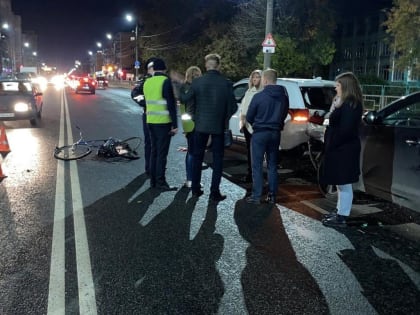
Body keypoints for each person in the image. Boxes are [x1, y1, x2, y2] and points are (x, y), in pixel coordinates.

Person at [180, 53, 237, 202]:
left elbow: (187, 101)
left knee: (198, 157)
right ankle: (214, 192)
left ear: (206, 65)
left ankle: (195, 189)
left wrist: (195, 118)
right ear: (218, 65)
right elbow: (233, 107)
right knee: (218, 160)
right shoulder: (226, 83)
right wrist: (224, 119)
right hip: (218, 127)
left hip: (200, 127)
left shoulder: (197, 82)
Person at [320, 72, 364, 227]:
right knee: (341, 182)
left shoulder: (351, 104)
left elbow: (345, 130)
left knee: (344, 183)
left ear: (345, 86)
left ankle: (342, 216)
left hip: (344, 149)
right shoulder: (346, 102)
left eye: (337, 85)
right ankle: (339, 211)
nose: (335, 88)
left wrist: (332, 140)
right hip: (341, 148)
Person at [245, 69, 289, 204]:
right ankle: (272, 195)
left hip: (260, 133)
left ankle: (256, 196)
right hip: (275, 133)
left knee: (257, 165)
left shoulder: (259, 96)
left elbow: (249, 116)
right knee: (272, 165)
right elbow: (284, 113)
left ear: (265, 80)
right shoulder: (283, 97)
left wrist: (257, 124)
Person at [143, 58, 179, 190]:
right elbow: (170, 104)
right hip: (163, 123)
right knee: (162, 154)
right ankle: (160, 182)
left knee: (154, 152)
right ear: (164, 69)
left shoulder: (147, 82)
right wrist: (175, 124)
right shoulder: (165, 81)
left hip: (150, 122)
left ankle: (153, 181)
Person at [130, 58, 156, 176]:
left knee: (159, 144)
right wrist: (145, 103)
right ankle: (149, 168)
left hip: (163, 118)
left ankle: (157, 166)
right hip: (149, 115)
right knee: (150, 143)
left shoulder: (163, 79)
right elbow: (134, 94)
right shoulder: (145, 80)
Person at [179, 66, 202, 188]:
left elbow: (182, 107)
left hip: (189, 124)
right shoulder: (194, 88)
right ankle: (191, 179)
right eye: (196, 75)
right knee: (194, 152)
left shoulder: (184, 87)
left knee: (192, 152)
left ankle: (191, 179)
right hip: (195, 123)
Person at [239, 69, 263, 183]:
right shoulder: (249, 91)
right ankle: (250, 173)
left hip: (257, 126)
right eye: (253, 77)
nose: (255, 79)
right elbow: (243, 109)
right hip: (247, 125)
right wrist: (242, 123)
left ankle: (256, 175)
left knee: (257, 152)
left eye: (258, 77)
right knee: (249, 151)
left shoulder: (262, 92)